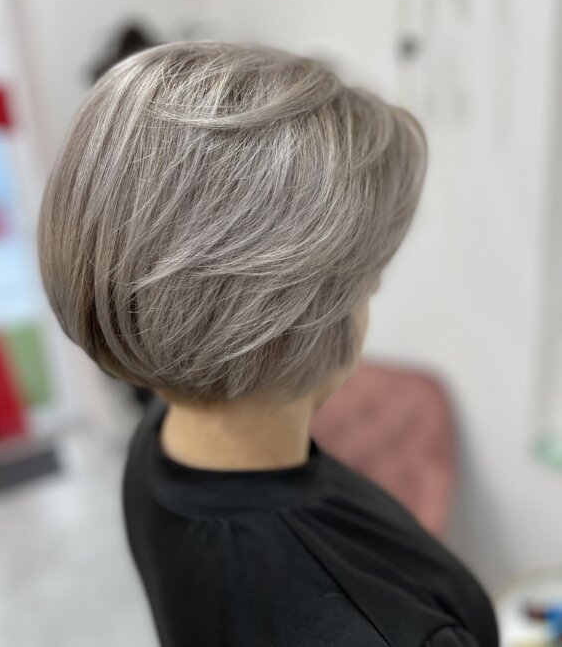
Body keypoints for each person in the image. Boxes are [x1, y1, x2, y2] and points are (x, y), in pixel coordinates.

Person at [37, 42, 499, 647]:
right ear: (279, 323)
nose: (377, 285)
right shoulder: (381, 630)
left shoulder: (159, 445)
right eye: (364, 274)